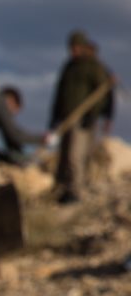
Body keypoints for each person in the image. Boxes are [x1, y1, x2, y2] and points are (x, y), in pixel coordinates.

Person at [51, 30, 116, 204]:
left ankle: (76, 191)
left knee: (76, 155)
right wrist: (53, 120)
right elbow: (59, 94)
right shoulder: (69, 67)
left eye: (76, 47)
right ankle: (63, 189)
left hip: (83, 118)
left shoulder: (93, 66)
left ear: (83, 46)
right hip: (67, 118)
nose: (73, 51)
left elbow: (104, 93)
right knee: (64, 156)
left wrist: (95, 114)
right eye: (71, 48)